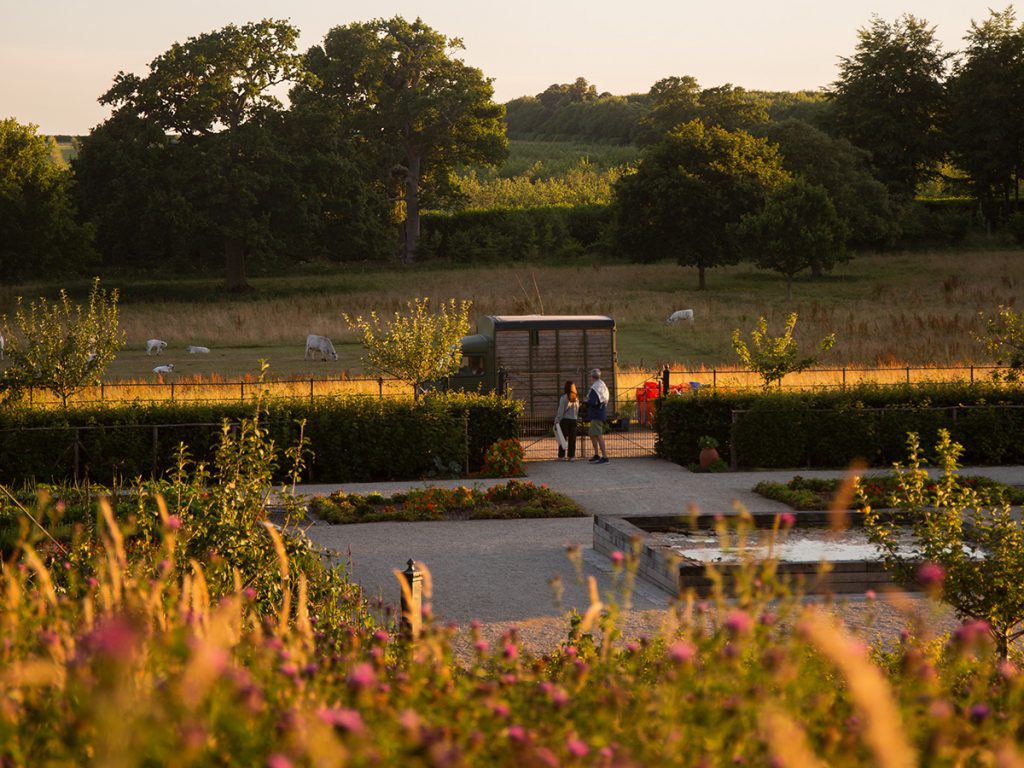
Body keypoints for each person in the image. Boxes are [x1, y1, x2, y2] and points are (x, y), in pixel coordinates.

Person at [586, 368, 609, 464]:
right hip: (600, 412)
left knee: (598, 435)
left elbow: (593, 401)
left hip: (596, 414)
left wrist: (586, 401)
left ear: (592, 377)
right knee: (592, 434)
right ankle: (597, 455)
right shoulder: (602, 384)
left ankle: (604, 457)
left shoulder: (595, 387)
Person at [554, 380, 579, 461]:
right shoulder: (576, 398)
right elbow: (577, 410)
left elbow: (560, 411)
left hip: (565, 420)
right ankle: (571, 456)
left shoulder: (564, 397)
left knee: (562, 438)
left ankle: (561, 456)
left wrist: (557, 420)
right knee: (572, 439)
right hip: (574, 420)